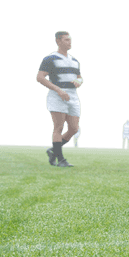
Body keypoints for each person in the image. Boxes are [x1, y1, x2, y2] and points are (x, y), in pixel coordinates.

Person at [36, 30, 83, 167]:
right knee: (59, 127)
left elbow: (80, 77)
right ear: (58, 41)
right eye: (66, 40)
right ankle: (60, 159)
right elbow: (40, 77)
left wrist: (79, 82)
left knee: (74, 128)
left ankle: (53, 151)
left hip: (73, 96)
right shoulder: (50, 58)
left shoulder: (74, 61)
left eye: (70, 39)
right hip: (57, 96)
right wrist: (59, 90)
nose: (70, 42)